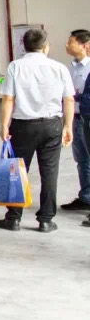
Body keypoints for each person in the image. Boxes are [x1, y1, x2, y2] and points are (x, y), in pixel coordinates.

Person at [0, 28, 75, 233]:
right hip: (51, 125)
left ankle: (13, 218)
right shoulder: (59, 68)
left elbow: (8, 98)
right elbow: (68, 99)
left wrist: (4, 125)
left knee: (16, 171)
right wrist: (68, 126)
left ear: (24, 46)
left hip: (22, 126)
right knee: (49, 172)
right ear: (46, 46)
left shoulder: (15, 66)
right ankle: (46, 220)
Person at [61, 30, 90, 212]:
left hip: (88, 118)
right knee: (82, 160)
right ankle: (86, 197)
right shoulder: (71, 67)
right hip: (76, 118)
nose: (67, 45)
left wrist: (75, 97)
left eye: (71, 41)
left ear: (84, 45)